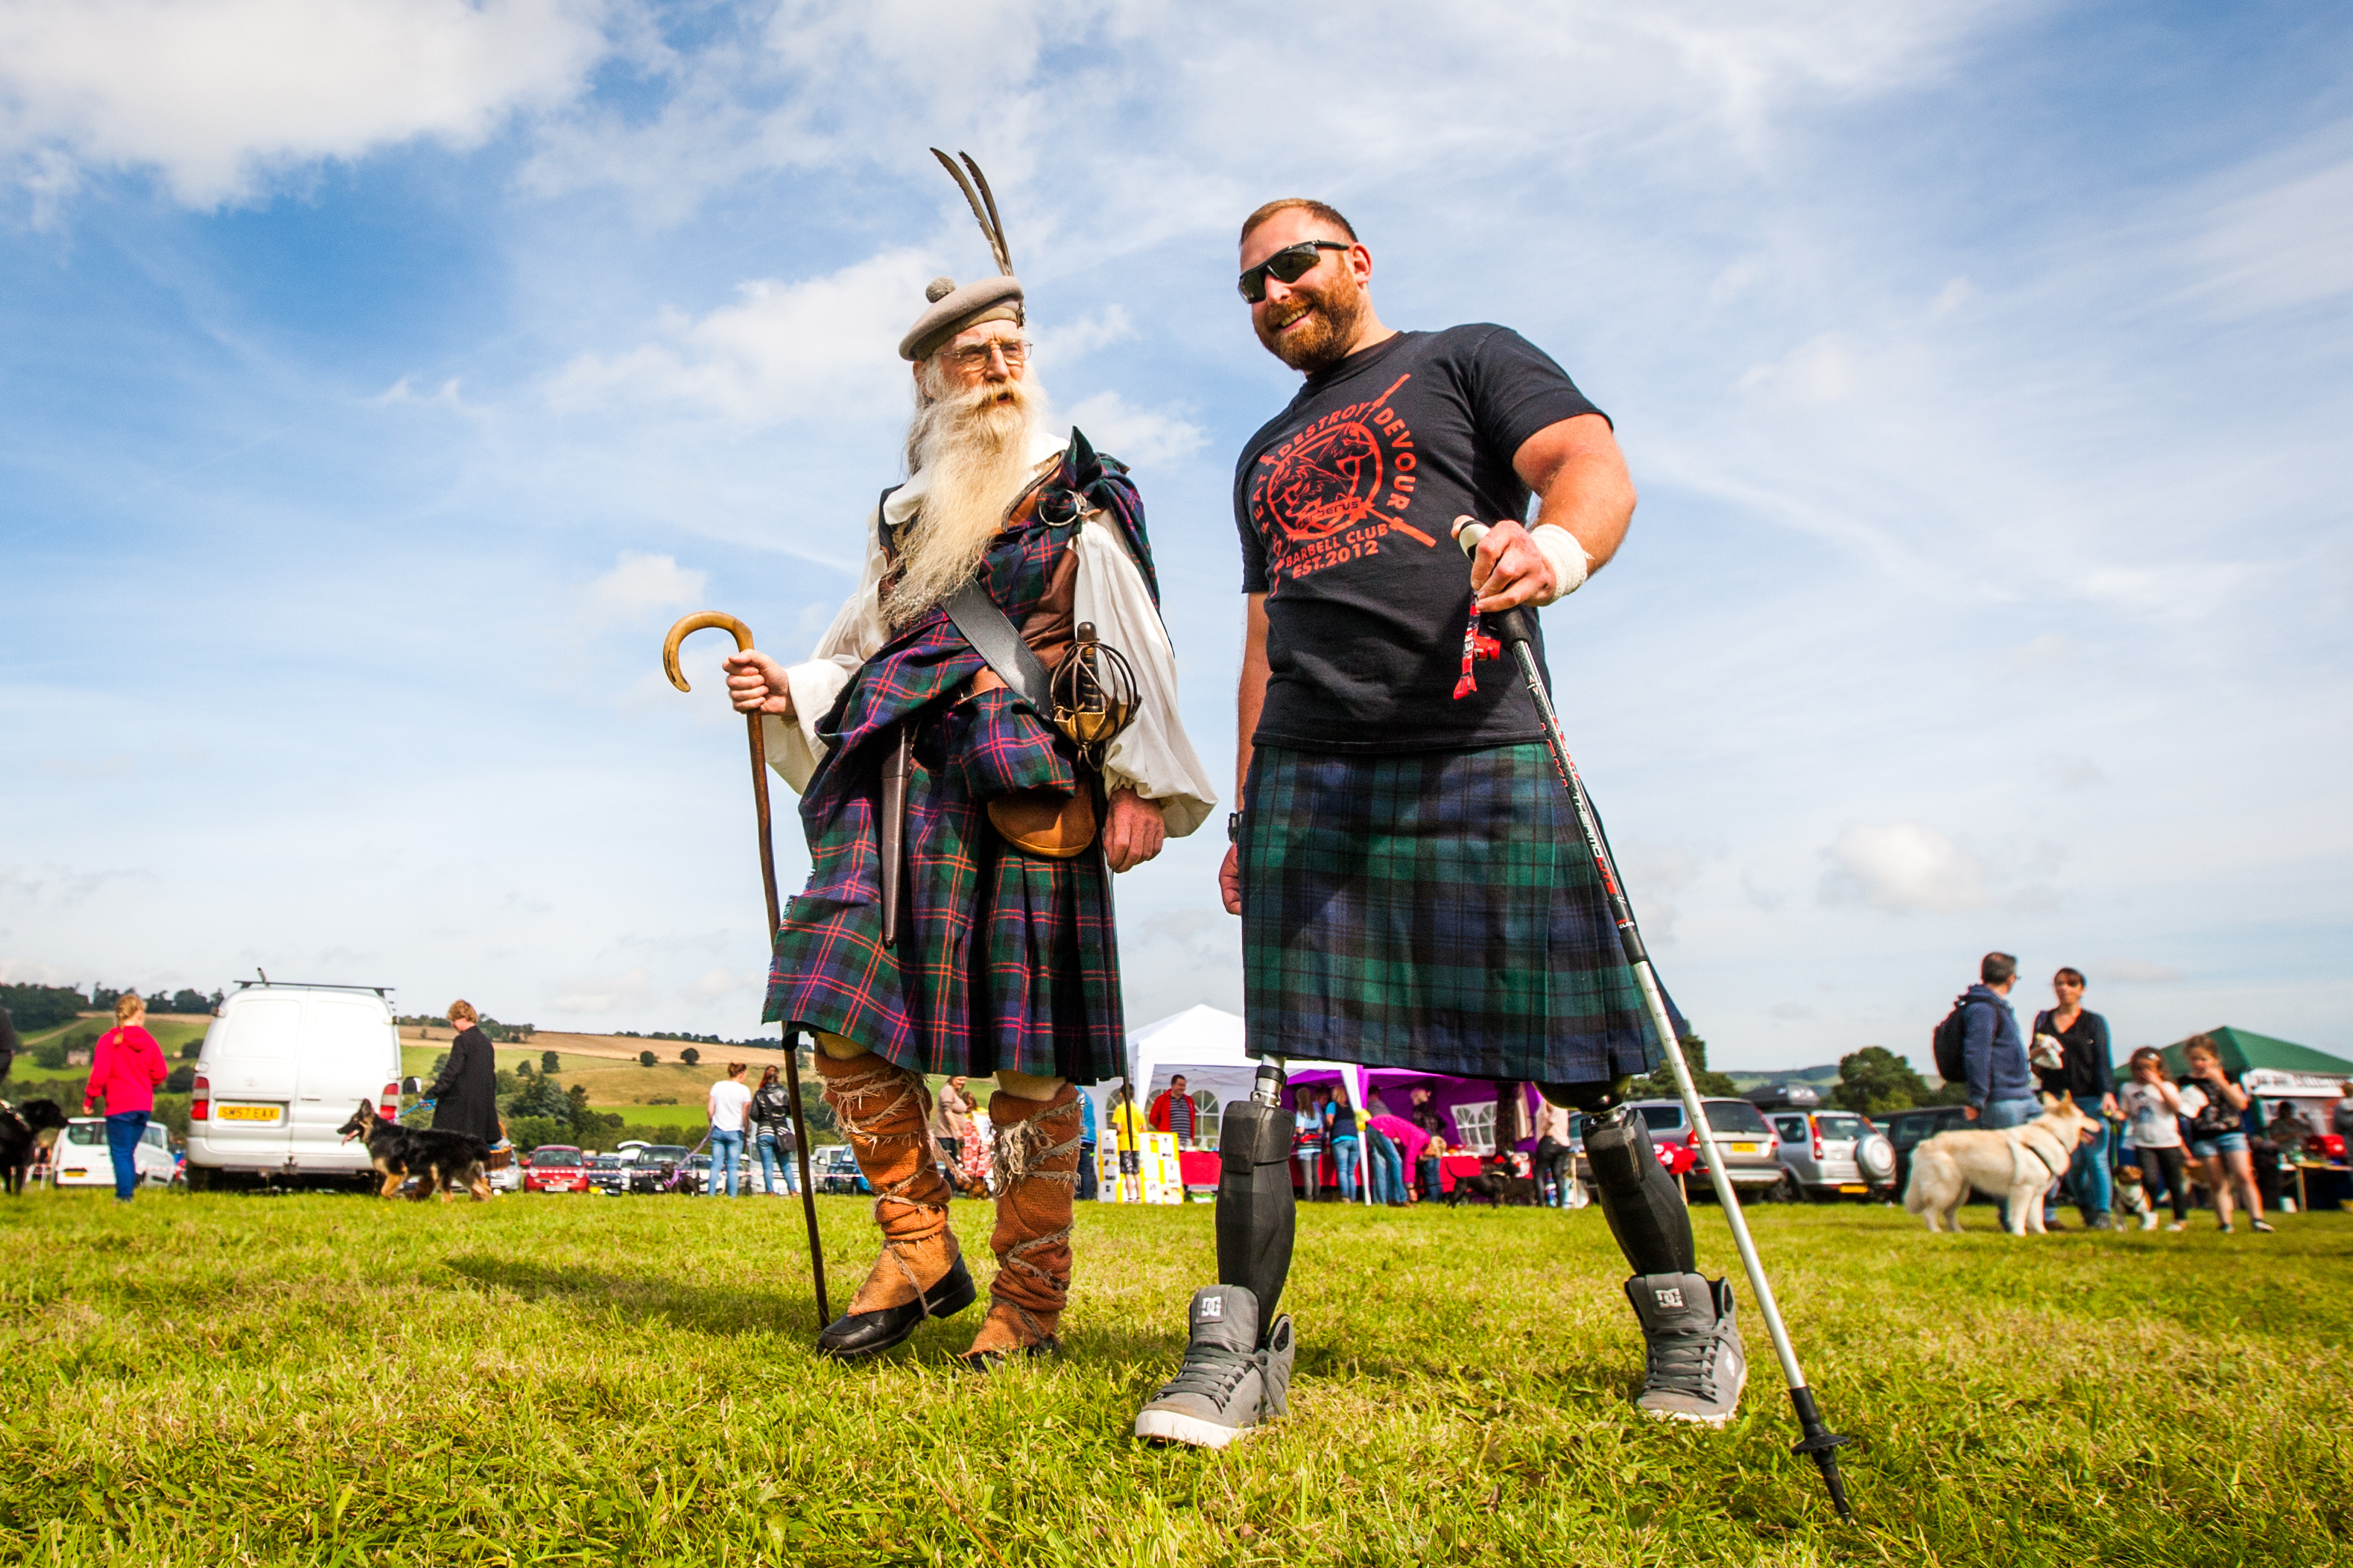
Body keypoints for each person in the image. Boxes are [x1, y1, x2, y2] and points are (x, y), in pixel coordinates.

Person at [1138, 194, 1774, 1450]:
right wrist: (1250, 797)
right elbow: (1265, 627)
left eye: (1291, 266)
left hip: (1477, 743)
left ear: (1355, 262)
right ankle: (1238, 1350)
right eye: (1249, 285)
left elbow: (1586, 465)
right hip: (1315, 764)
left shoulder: (1465, 356)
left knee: (1585, 1062)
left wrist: (1557, 553)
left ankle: (1688, 1323)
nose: (1271, 296)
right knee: (1274, 1060)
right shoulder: (1260, 451)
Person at [718, 156, 1216, 1367]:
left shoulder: (1077, 486)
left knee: (1034, 1065)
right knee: (831, 998)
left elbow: (1125, 631)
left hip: (1028, 783)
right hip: (892, 784)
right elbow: (868, 643)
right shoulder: (903, 511)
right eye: (970, 357)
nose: (995, 371)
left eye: (1008, 350)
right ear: (930, 378)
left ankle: (1025, 1307)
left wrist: (1141, 782)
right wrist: (794, 684)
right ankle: (914, 1241)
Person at [2030, 967, 2121, 1229]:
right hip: (2055, 1100)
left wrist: (2107, 1093)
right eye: (2059, 983)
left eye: (2071, 984)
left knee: (2096, 1156)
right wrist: (2037, 1053)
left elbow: (2103, 1058)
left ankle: (2102, 1212)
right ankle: (2086, 1207)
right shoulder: (2044, 1019)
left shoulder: (2094, 1021)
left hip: (2089, 1098)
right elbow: (2034, 1062)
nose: (2064, 988)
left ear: (2082, 990)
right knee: (2070, 1162)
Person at [2178, 1035, 2272, 1234]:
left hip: (2231, 1133)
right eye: (2195, 1059)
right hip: (2204, 1136)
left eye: (2204, 1059)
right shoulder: (2184, 1081)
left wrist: (2219, 1081)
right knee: (2216, 1180)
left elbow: (2241, 1103)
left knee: (2244, 1175)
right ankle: (2225, 1223)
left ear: (2214, 1058)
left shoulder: (2227, 1076)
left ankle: (2257, 1219)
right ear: (2188, 1059)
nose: (2200, 1063)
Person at [81, 994, 167, 1202]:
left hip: (119, 1106)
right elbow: (160, 1072)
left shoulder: (109, 1041)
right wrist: (144, 1086)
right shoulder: (149, 1042)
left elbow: (99, 1074)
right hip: (143, 1106)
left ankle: (124, 1196)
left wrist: (89, 1100)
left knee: (121, 1154)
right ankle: (127, 1191)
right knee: (128, 1152)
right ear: (139, 1014)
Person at [2117, 1048, 2191, 1231]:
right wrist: (2114, 1113)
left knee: (2174, 1181)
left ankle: (2179, 1218)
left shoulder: (2168, 1087)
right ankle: (2149, 1216)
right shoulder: (2128, 1088)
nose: (2143, 1074)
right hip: (2143, 1142)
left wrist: (2158, 1084)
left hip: (2169, 1142)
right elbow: (2124, 1111)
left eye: (2148, 1069)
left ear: (2160, 1070)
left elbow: (2175, 1107)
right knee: (2148, 1179)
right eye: (2138, 1069)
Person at [428, 1002, 501, 1148]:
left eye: (453, 1020)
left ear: (463, 1017)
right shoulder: (486, 1042)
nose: (452, 1025)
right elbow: (491, 1079)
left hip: (460, 1112)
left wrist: (431, 1093)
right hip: (481, 1112)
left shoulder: (462, 1040)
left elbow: (451, 1071)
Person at [750, 1065, 798, 1196]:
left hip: (764, 1133)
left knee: (767, 1166)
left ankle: (770, 1192)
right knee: (786, 1165)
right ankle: (793, 1190)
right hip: (782, 1133)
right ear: (777, 1076)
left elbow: (753, 1114)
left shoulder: (760, 1093)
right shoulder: (784, 1092)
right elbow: (792, 1111)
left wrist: (763, 1119)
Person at [707, 1063, 753, 1197]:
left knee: (716, 1164)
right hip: (735, 1131)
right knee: (733, 1166)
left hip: (718, 1129)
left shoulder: (717, 1086)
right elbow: (745, 1115)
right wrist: (746, 1132)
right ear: (740, 1074)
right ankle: (732, 1196)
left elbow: (710, 1110)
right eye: (745, 1075)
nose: (745, 1077)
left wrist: (712, 1124)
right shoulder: (744, 1090)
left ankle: (711, 1194)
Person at [1363, 1111, 1422, 1206]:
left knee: (1392, 1163)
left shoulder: (1411, 1131)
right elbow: (1409, 1161)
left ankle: (1392, 1199)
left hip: (1370, 1129)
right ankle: (1403, 1199)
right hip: (1380, 1128)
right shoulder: (1420, 1136)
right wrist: (1410, 1185)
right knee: (1397, 1162)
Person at [931, 1075, 978, 1185]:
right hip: (946, 1134)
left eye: (964, 1081)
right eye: (959, 1080)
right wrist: (957, 1130)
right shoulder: (948, 1090)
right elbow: (948, 1112)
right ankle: (950, 1187)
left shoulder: (954, 1092)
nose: (962, 1083)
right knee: (950, 1164)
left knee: (952, 1163)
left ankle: (951, 1187)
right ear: (952, 1078)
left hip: (952, 1135)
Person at [1533, 1094, 1578, 1208]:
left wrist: (1547, 1127)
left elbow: (1554, 1114)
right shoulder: (1563, 1104)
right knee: (1558, 1174)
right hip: (1563, 1142)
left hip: (1549, 1140)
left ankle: (1541, 1203)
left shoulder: (1551, 1100)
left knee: (1539, 1173)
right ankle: (1561, 1203)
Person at [1405, 1088, 1450, 1204]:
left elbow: (1416, 1128)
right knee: (1435, 1171)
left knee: (1429, 1171)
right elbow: (1444, 1123)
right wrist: (1438, 1135)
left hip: (1425, 1141)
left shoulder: (1418, 1111)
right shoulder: (1433, 1110)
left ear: (1417, 1098)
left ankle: (1432, 1198)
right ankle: (1438, 1197)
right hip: (1436, 1141)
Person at [1324, 1091, 1361, 1205]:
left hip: (1340, 1139)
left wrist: (1330, 1128)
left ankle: (1345, 1197)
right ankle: (1354, 1198)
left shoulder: (1332, 1105)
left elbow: (1330, 1119)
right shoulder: (1353, 1106)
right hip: (1355, 1139)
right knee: (1351, 1171)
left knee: (1343, 1169)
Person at [1293, 1088, 1325, 1201]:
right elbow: (1321, 1130)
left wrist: (1294, 1129)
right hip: (1316, 1145)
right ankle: (1317, 1196)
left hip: (1305, 1146)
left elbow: (1301, 1130)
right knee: (1315, 1173)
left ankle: (1308, 1197)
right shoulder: (1316, 1112)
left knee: (1307, 1174)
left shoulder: (1301, 1113)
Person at [1148, 1076, 1199, 1147]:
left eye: (1184, 1086)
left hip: (1187, 1141)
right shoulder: (1162, 1100)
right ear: (1173, 1085)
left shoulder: (1189, 1101)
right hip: (1169, 1141)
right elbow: (1153, 1119)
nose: (1182, 1088)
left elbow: (1192, 1117)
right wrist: (1164, 1128)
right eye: (1180, 1085)